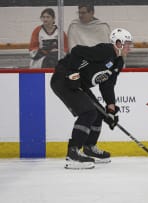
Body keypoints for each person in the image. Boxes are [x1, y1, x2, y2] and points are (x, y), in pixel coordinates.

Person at [50, 28, 133, 169]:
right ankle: (73, 153)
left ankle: (89, 147)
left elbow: (107, 85)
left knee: (100, 114)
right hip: (63, 79)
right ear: (118, 43)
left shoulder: (118, 62)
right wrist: (72, 74)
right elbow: (77, 51)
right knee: (88, 112)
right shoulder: (105, 51)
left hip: (79, 83)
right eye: (127, 44)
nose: (130, 48)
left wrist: (111, 109)